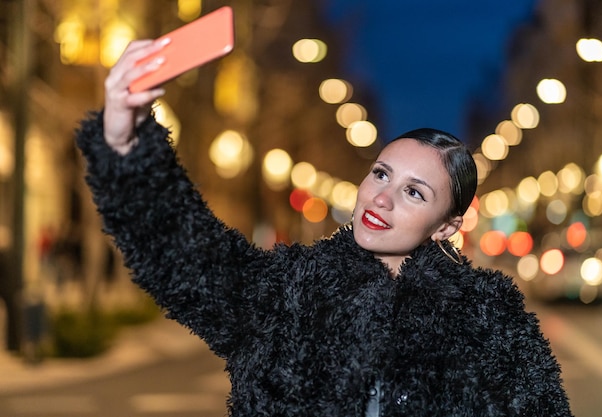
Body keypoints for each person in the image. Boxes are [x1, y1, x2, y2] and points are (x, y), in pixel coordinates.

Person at [75, 39, 573, 417]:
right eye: (381, 174)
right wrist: (124, 140)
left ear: (446, 227)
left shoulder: (490, 319)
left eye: (414, 192)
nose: (382, 197)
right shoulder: (288, 292)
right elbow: (185, 253)